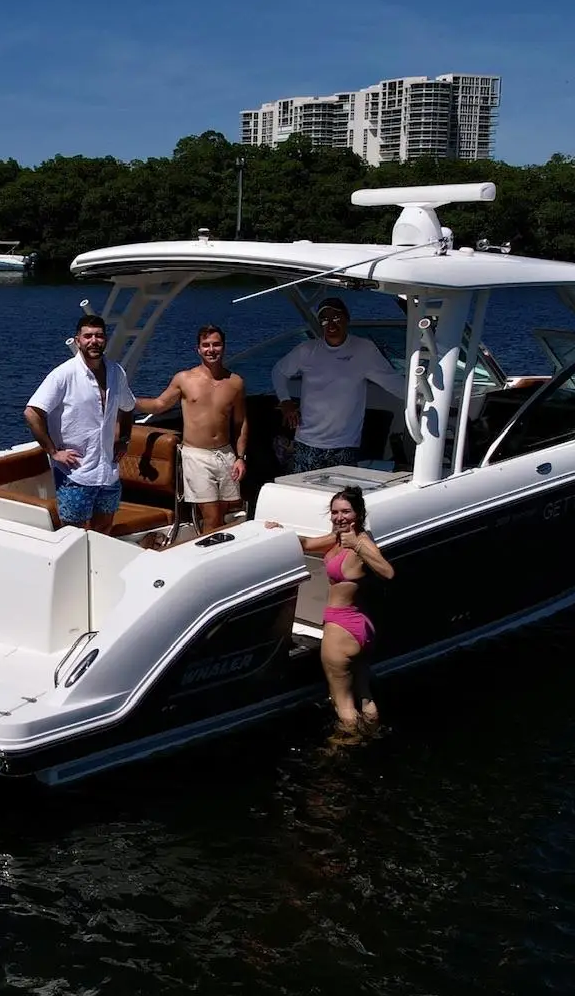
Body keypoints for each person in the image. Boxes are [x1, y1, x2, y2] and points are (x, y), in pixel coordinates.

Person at [272, 487, 395, 732]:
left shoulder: (361, 541)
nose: (339, 517)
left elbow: (388, 572)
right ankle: (373, 734)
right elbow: (307, 543)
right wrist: (279, 534)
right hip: (361, 626)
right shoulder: (337, 539)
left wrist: (358, 547)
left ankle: (349, 748)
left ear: (358, 514)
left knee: (343, 703)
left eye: (346, 512)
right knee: (364, 695)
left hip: (341, 629)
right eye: (335, 512)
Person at [25, 312, 138, 534]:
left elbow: (128, 407)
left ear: (105, 339)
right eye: (88, 336)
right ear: (78, 341)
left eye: (99, 336)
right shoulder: (63, 374)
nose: (93, 341)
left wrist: (124, 439)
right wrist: (53, 451)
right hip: (75, 473)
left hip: (108, 472)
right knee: (73, 534)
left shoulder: (117, 372)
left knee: (104, 529)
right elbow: (32, 413)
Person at [135, 323, 247, 533]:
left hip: (226, 454)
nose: (211, 350)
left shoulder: (235, 382)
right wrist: (128, 401)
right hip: (196, 455)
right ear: (198, 349)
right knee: (211, 518)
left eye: (216, 344)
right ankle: (209, 562)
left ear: (224, 347)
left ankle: (219, 559)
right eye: (206, 345)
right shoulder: (184, 379)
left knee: (223, 516)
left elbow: (240, 422)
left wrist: (241, 457)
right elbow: (160, 405)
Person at [271, 297, 404, 474]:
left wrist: (422, 398)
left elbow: (392, 382)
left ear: (347, 319)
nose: (331, 325)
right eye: (325, 320)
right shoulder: (307, 350)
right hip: (307, 443)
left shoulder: (364, 350)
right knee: (305, 496)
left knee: (342, 499)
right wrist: (285, 401)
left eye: (336, 317)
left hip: (345, 445)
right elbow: (278, 371)